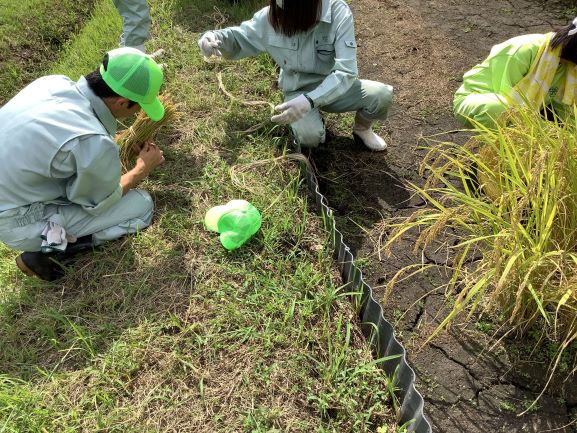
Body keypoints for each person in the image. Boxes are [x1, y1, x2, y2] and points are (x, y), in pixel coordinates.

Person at [0, 47, 166, 281]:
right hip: (19, 222)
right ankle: (52, 252)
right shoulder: (93, 141)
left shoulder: (51, 83)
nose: (139, 112)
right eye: (139, 106)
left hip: (10, 197)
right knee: (141, 205)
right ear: (121, 102)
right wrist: (142, 169)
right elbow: (97, 202)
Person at [197, 0, 393, 151]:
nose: (283, 16)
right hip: (297, 89)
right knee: (310, 138)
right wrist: (214, 38)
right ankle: (314, 124)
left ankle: (362, 130)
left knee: (381, 95)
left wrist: (311, 101)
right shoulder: (272, 17)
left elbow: (346, 72)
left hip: (333, 85)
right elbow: (240, 36)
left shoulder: (337, 12)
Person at [454, 17, 577, 129]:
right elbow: (506, 101)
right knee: (498, 110)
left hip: (524, 111)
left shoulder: (571, 68)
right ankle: (495, 151)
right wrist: (540, 128)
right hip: (480, 99)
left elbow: (568, 110)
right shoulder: (527, 48)